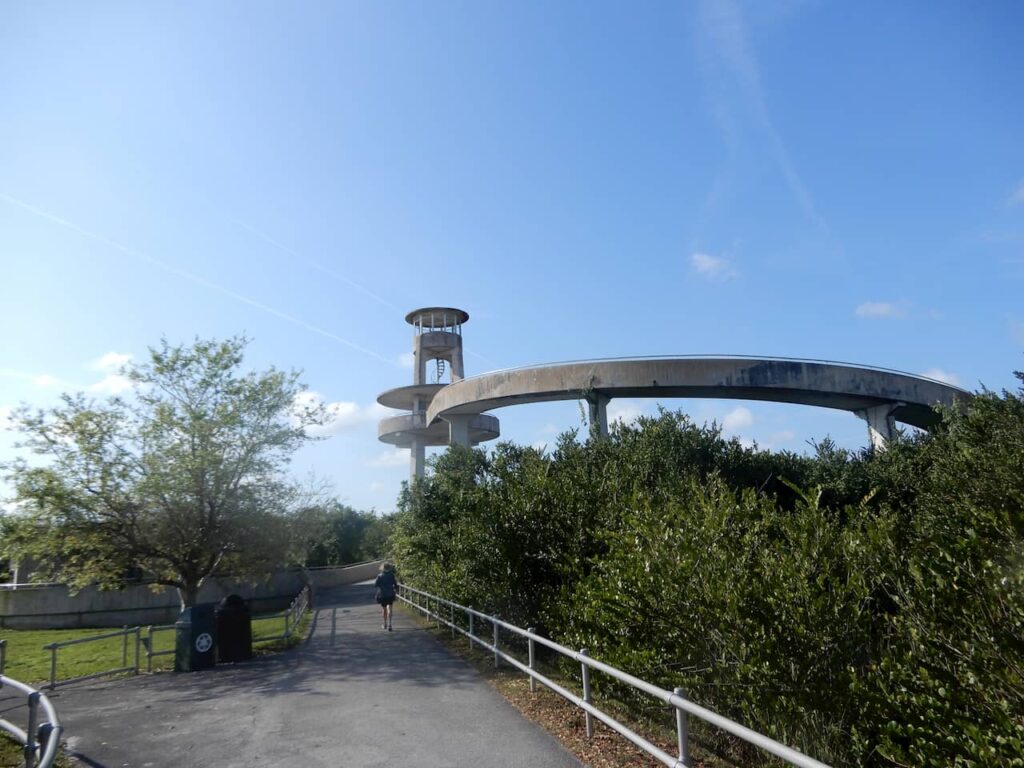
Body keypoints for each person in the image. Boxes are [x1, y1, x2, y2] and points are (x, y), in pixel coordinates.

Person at [374, 561, 399, 631]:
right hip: (390, 594)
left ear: (383, 568)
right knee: (390, 608)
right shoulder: (392, 575)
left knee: (384, 609)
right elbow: (395, 585)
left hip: (382, 595)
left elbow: (375, 585)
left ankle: (385, 624)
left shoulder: (380, 575)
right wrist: (395, 589)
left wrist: (381, 585)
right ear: (389, 568)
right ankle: (390, 625)